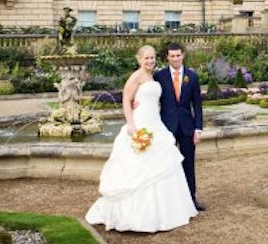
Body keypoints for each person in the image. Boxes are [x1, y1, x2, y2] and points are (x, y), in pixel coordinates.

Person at [85, 45, 197, 232]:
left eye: (152, 58)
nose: (150, 61)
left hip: (155, 122)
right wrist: (131, 124)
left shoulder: (156, 77)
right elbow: (126, 101)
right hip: (139, 123)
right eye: (146, 58)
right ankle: (136, 216)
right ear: (139, 60)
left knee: (164, 163)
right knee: (139, 165)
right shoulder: (136, 76)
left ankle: (168, 211)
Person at [154, 41, 205, 211]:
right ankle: (168, 202)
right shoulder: (159, 76)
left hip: (187, 128)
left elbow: (197, 105)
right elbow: (153, 100)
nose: (175, 59)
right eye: (172, 56)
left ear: (183, 55)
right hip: (166, 127)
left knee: (188, 164)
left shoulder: (192, 76)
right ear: (167, 57)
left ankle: (191, 199)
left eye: (178, 55)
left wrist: (198, 129)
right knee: (166, 165)